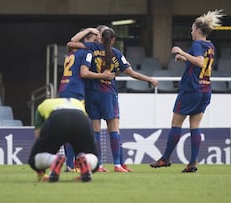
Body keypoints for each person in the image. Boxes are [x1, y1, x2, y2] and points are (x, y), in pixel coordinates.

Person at [68, 27, 158, 172]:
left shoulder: (92, 48)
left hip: (92, 94)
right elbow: (131, 73)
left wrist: (89, 30)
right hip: (108, 94)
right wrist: (149, 79)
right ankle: (117, 164)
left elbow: (72, 43)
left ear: (100, 38)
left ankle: (99, 165)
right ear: (114, 40)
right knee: (114, 130)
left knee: (95, 132)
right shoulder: (116, 53)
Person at [150, 9, 224, 172]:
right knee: (195, 126)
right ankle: (192, 163)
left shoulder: (197, 44)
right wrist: (185, 59)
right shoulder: (210, 46)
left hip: (191, 89)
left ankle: (165, 158)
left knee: (176, 123)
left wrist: (182, 52)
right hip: (205, 89)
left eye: (192, 29)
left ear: (197, 30)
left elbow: (199, 62)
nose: (191, 32)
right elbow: (201, 64)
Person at [58, 30, 115, 172]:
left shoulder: (71, 52)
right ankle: (72, 164)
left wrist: (88, 30)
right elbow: (84, 73)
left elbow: (71, 40)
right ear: (87, 41)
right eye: (94, 39)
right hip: (76, 91)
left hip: (64, 89)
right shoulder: (87, 52)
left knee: (68, 128)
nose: (97, 42)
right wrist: (103, 75)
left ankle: (70, 164)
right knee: (76, 129)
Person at [28, 98, 99, 182]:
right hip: (80, 119)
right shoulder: (77, 102)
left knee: (33, 159)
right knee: (93, 157)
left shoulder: (43, 105)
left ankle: (54, 160)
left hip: (57, 119)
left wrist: (41, 173)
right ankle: (86, 160)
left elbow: (38, 136)